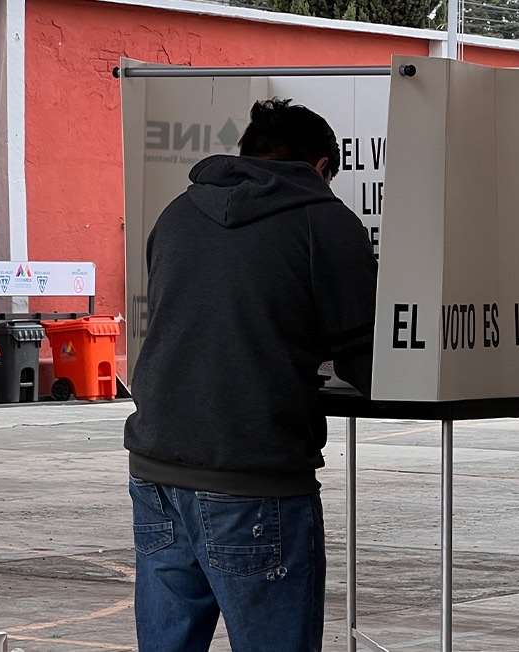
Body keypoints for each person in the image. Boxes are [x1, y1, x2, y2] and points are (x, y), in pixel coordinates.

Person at [124, 98, 378, 651]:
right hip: (252, 473)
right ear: (321, 166)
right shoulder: (324, 221)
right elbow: (366, 355)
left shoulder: (178, 212)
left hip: (156, 467)